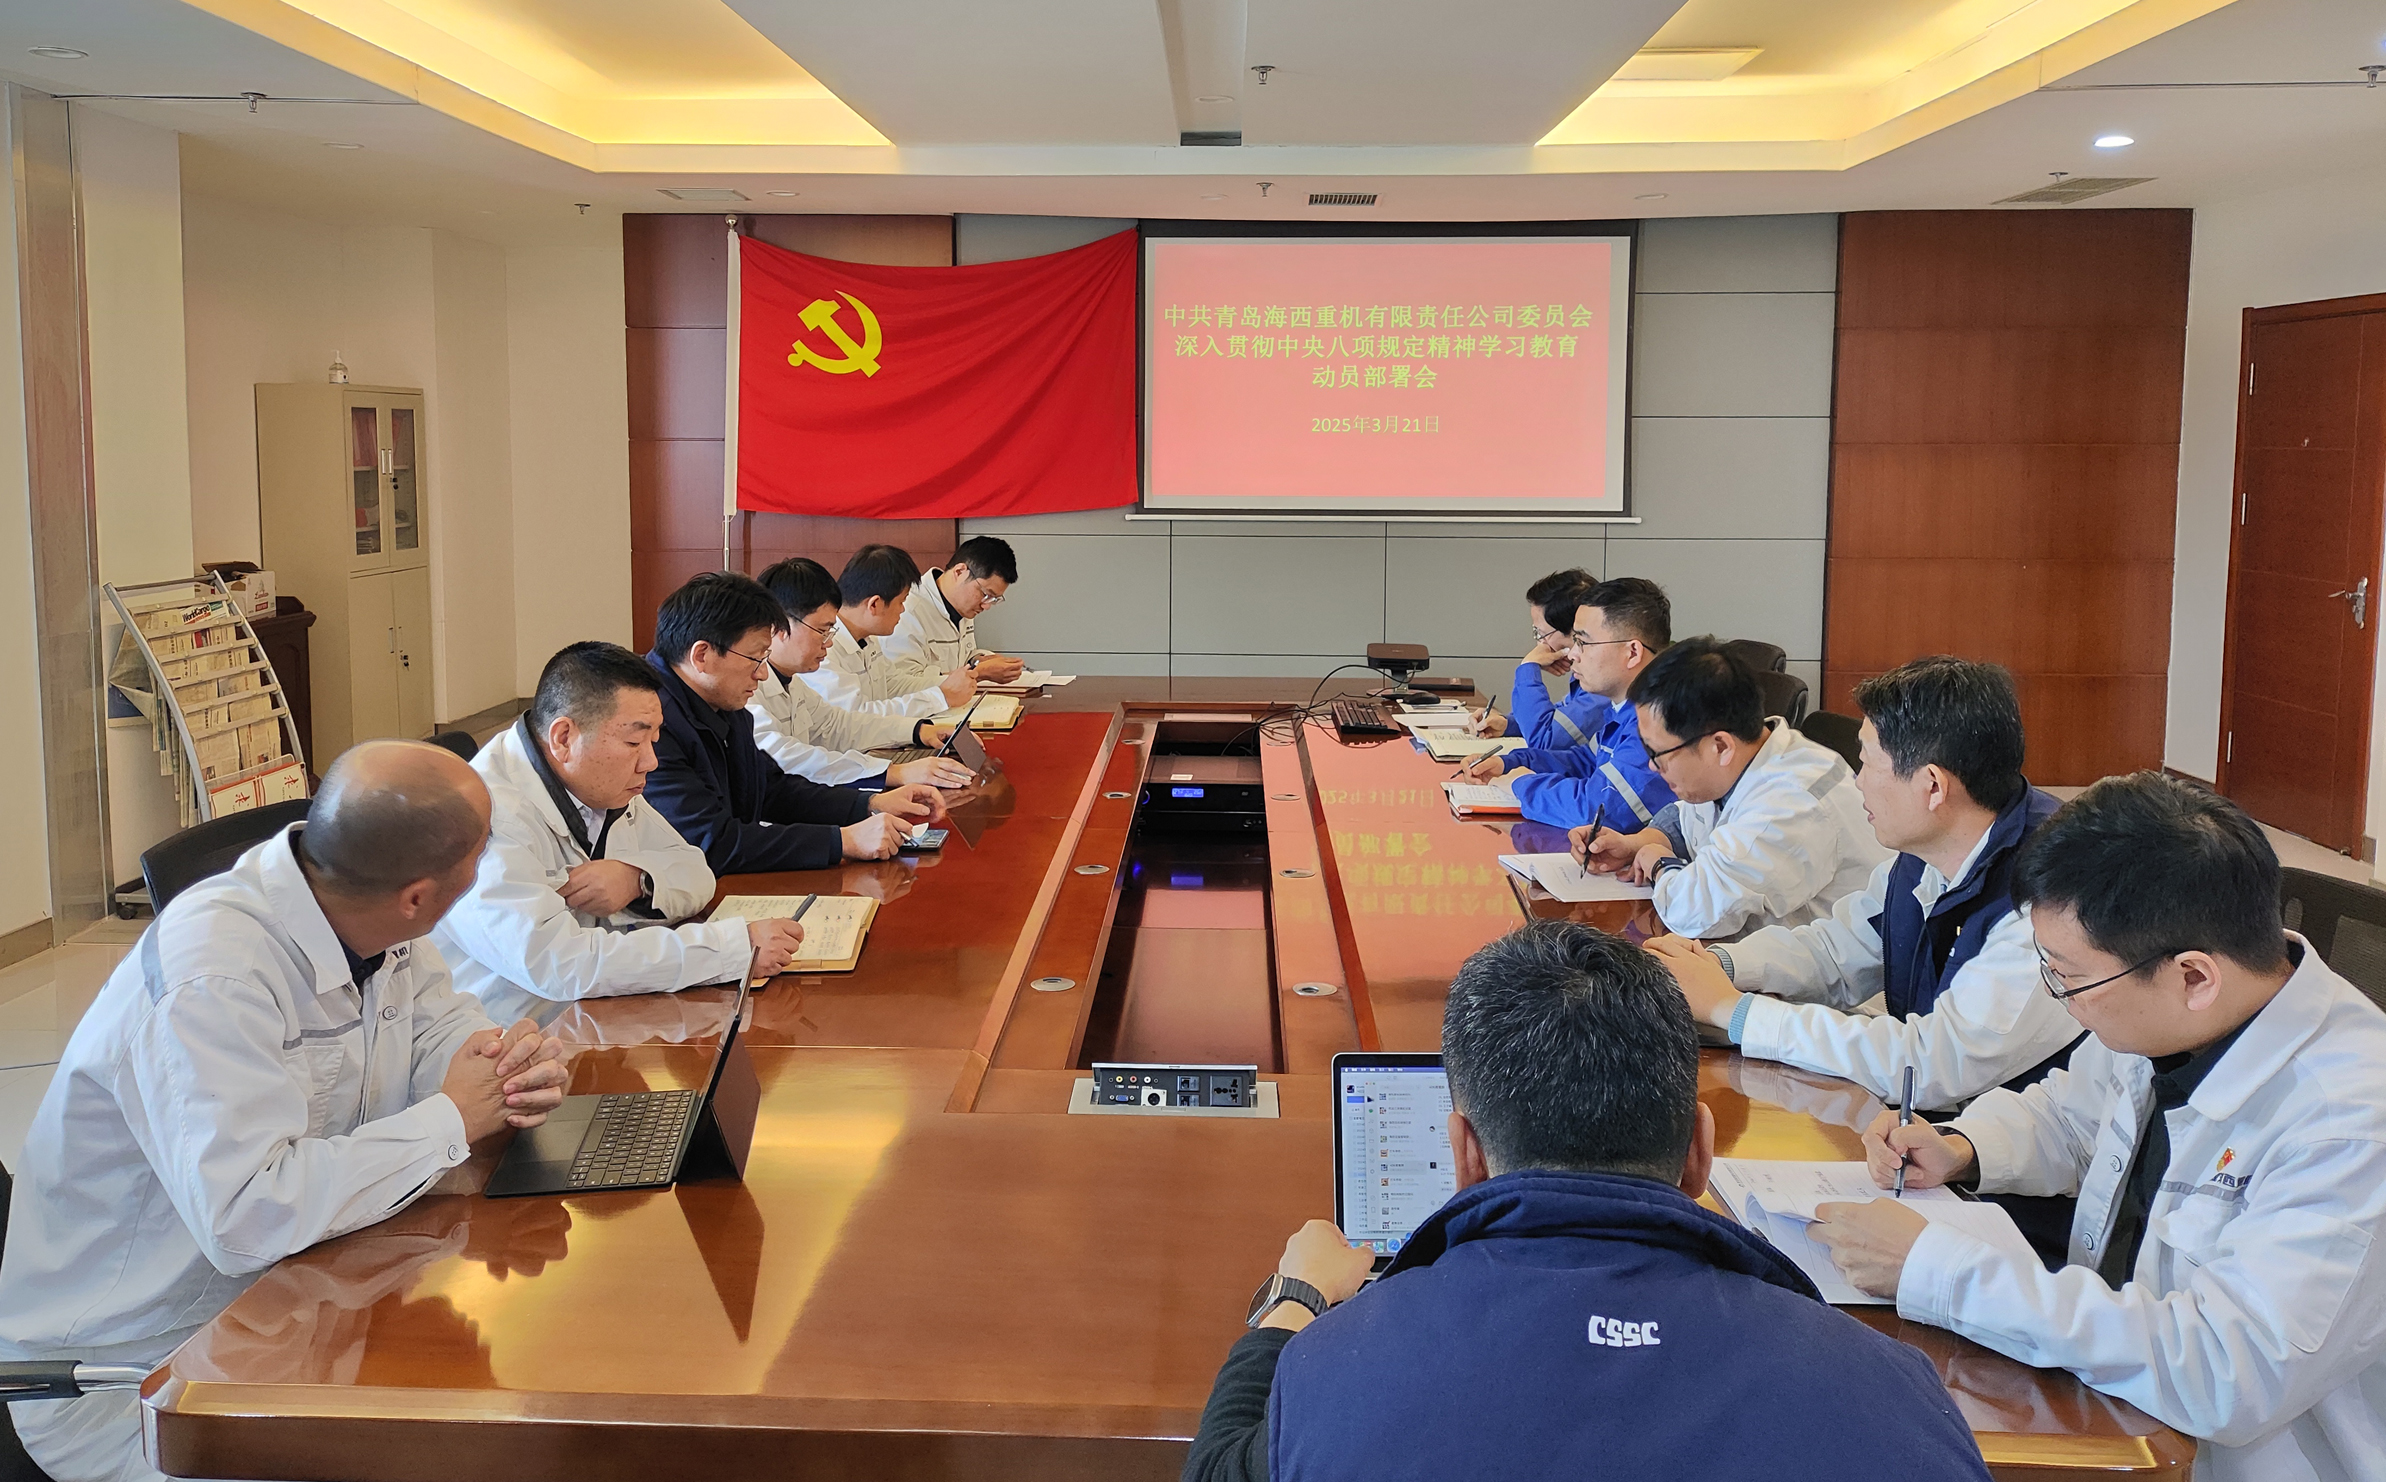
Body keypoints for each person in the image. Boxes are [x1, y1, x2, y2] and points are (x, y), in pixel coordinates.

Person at [1184, 920, 1992, 1482]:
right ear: (1700, 1152)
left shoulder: (1332, 1377)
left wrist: (1292, 1306)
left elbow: (1218, 1467)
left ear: (1465, 1155)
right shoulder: (1894, 1396)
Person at [0, 741, 573, 1482]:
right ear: (417, 895)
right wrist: (452, 1120)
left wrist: (503, 1064)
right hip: (145, 1379)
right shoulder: (214, 979)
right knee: (477, 1451)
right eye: (480, 849)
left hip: (300, 1302)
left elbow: (436, 1025)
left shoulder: (368, 911)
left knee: (523, 1384)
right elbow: (248, 1217)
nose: (488, 860)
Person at [1810, 774, 2386, 1481]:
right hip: (2107, 1400)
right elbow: (2075, 1114)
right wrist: (1963, 1146)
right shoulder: (2177, 1011)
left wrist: (1939, 1270)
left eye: (2069, 978)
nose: (2063, 1000)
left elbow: (2228, 1371)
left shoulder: (2350, 1124)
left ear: (2194, 977)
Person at [1648, 656, 2082, 1108]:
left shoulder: (2046, 897)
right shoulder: (1928, 849)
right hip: (1935, 1124)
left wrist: (1733, 1011)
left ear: (1933, 787)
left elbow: (1930, 1066)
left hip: (1993, 1135)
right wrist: (1719, 966)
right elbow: (1838, 951)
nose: (1857, 783)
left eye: (1869, 765)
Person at [431, 642, 812, 1026]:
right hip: (517, 1032)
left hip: (600, 1013)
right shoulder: (484, 817)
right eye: (633, 742)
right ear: (563, 738)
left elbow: (697, 872)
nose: (650, 762)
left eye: (654, 741)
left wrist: (638, 879)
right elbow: (563, 965)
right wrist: (733, 949)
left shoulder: (601, 785)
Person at [1572, 636, 1886, 939]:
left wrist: (1659, 863)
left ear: (1720, 746)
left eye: (1657, 753)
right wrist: (1638, 843)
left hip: (1822, 972)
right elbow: (1685, 817)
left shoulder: (1790, 803)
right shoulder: (1743, 758)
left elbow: (1693, 913)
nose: (1652, 766)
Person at [641, 571, 940, 874]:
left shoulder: (720, 699)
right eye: (755, 658)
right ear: (702, 655)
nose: (762, 674)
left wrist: (868, 805)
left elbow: (771, 790)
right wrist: (842, 841)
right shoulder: (650, 722)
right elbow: (712, 842)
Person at [1462, 577, 1675, 833]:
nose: (1572, 654)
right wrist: (1509, 763)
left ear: (1632, 653)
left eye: (1583, 643)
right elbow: (1585, 762)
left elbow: (1597, 810)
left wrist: (1521, 783)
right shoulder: (1624, 708)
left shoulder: (1661, 720)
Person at [749, 557, 974, 790]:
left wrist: (917, 730)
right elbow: (785, 757)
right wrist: (893, 772)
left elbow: (839, 725)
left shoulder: (792, 683)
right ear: (779, 626)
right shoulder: (749, 692)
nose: (828, 642)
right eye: (822, 631)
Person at [799, 544, 976, 719]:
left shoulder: (867, 639)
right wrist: (940, 698)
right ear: (874, 604)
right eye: (901, 602)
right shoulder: (824, 650)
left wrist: (947, 684)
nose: (903, 610)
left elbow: (893, 684)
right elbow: (857, 717)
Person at [1467, 567, 1607, 751]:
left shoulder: (1604, 685)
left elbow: (1545, 740)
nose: (1541, 643)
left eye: (1542, 633)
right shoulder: (1586, 676)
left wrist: (1528, 668)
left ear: (1576, 630)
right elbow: (1559, 721)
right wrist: (1508, 725)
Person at [882, 535, 1028, 686]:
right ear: (959, 572)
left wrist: (979, 660)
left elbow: (962, 657)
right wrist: (979, 673)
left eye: (993, 599)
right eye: (985, 594)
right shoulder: (906, 610)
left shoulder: (962, 605)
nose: (986, 606)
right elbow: (905, 685)